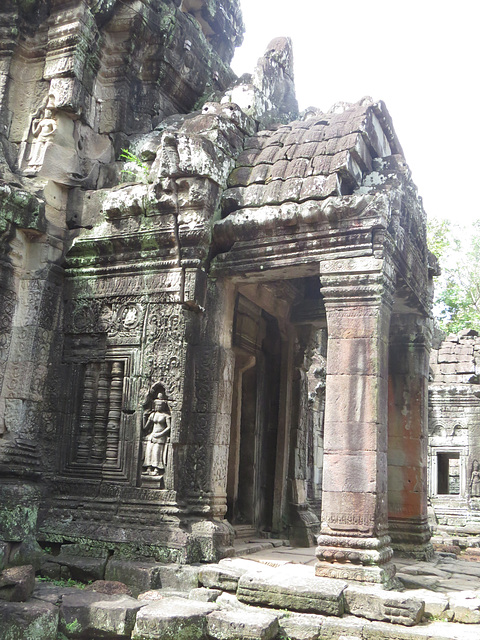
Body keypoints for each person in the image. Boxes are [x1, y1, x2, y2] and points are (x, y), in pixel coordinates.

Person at [143, 393, 171, 476]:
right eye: (157, 405)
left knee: (156, 453)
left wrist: (161, 434)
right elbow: (145, 428)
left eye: (160, 405)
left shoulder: (166, 416)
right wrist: (144, 417)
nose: (158, 407)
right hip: (152, 435)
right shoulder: (153, 414)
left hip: (160, 436)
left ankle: (156, 469)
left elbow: (169, 427)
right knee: (149, 452)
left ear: (163, 406)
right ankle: (148, 468)